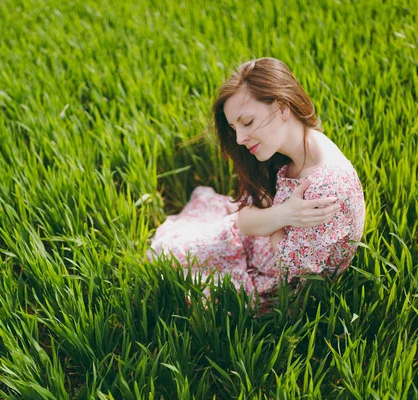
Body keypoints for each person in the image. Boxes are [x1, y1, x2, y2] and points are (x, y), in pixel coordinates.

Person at [147, 57, 366, 312]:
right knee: (170, 248)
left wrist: (272, 220)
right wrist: (282, 216)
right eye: (234, 128)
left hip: (278, 283)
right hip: (260, 242)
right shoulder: (302, 147)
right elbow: (256, 213)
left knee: (168, 257)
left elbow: (290, 267)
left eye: (247, 122)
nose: (239, 139)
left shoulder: (322, 187)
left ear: (282, 107)